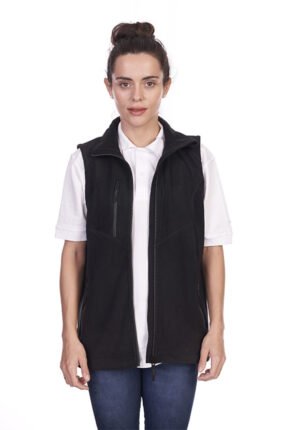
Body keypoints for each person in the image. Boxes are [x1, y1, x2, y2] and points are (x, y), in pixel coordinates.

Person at [55, 21, 232, 430]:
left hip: (179, 342)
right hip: (104, 342)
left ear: (166, 86)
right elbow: (74, 254)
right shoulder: (85, 162)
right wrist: (69, 336)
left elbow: (212, 250)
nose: (137, 96)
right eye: (125, 84)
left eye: (149, 83)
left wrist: (217, 329)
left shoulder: (197, 160)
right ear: (109, 87)